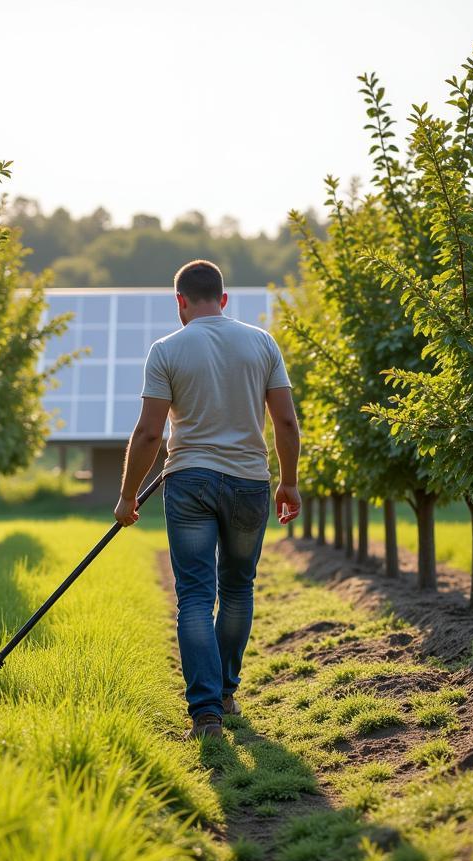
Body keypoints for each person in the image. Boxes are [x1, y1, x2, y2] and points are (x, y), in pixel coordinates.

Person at [114, 259, 302, 739]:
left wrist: (127, 496)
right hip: (248, 481)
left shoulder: (167, 349)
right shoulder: (261, 343)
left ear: (180, 303)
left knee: (195, 597)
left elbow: (150, 432)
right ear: (223, 299)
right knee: (238, 588)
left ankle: (205, 715)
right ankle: (224, 692)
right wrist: (289, 482)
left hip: (190, 482)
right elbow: (284, 422)